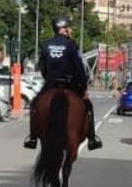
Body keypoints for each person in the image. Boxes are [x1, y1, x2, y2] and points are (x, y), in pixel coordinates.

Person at [23, 17, 103, 151]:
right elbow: (79, 69)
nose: (71, 30)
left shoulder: (45, 45)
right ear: (64, 29)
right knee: (88, 107)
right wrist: (83, 88)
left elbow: (42, 67)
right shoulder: (72, 45)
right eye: (69, 28)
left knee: (34, 105)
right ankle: (92, 138)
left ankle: (32, 137)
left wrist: (49, 79)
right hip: (69, 84)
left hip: (51, 83)